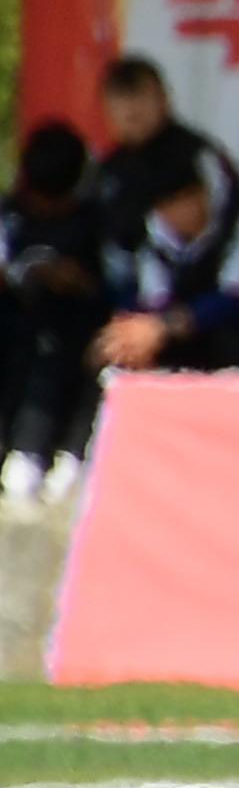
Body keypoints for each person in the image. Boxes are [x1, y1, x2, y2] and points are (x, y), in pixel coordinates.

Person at [97, 134, 239, 375]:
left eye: (190, 196)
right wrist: (135, 333)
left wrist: (163, 326)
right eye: (171, 204)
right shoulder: (153, 233)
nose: (184, 211)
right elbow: (156, 299)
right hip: (188, 333)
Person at [0, 122, 110, 505]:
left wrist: (79, 282)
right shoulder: (10, 215)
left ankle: (48, 455)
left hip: (77, 333)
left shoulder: (99, 221)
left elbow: (119, 287)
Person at [88, 55, 239, 256]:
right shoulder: (108, 168)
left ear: (164, 98)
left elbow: (234, 219)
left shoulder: (196, 155)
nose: (131, 110)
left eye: (140, 96)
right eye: (119, 101)